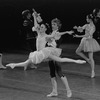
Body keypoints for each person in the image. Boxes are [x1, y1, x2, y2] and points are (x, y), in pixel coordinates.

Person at [6, 12, 86, 70]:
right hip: (38, 53)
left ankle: (76, 61)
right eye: (40, 27)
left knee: (60, 59)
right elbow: (36, 25)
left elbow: (56, 34)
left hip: (43, 53)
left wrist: (64, 31)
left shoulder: (46, 35)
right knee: (26, 63)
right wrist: (34, 17)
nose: (40, 28)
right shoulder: (39, 33)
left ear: (45, 29)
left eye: (42, 27)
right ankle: (14, 65)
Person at [47, 18, 73, 98]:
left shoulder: (57, 33)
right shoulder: (53, 33)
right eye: (52, 24)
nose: (52, 26)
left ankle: (68, 90)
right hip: (49, 54)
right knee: (52, 73)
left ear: (58, 26)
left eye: (54, 24)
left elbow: (59, 34)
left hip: (56, 55)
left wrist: (66, 32)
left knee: (59, 73)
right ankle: (54, 91)